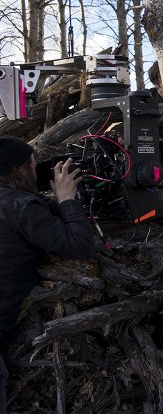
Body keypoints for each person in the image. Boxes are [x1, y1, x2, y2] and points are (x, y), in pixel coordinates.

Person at [0, 136, 95, 412]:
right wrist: (66, 200)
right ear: (18, 170)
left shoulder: (19, 205)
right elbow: (79, 245)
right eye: (32, 165)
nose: (36, 170)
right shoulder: (23, 208)